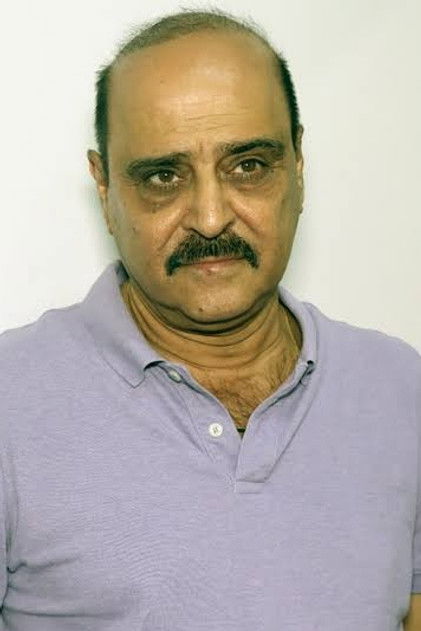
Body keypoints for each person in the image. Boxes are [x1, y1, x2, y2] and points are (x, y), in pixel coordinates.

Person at [0, 8, 420, 631]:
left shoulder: (402, 390)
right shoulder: (10, 402)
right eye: (163, 176)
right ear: (105, 190)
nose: (211, 216)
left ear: (298, 167)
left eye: (248, 166)